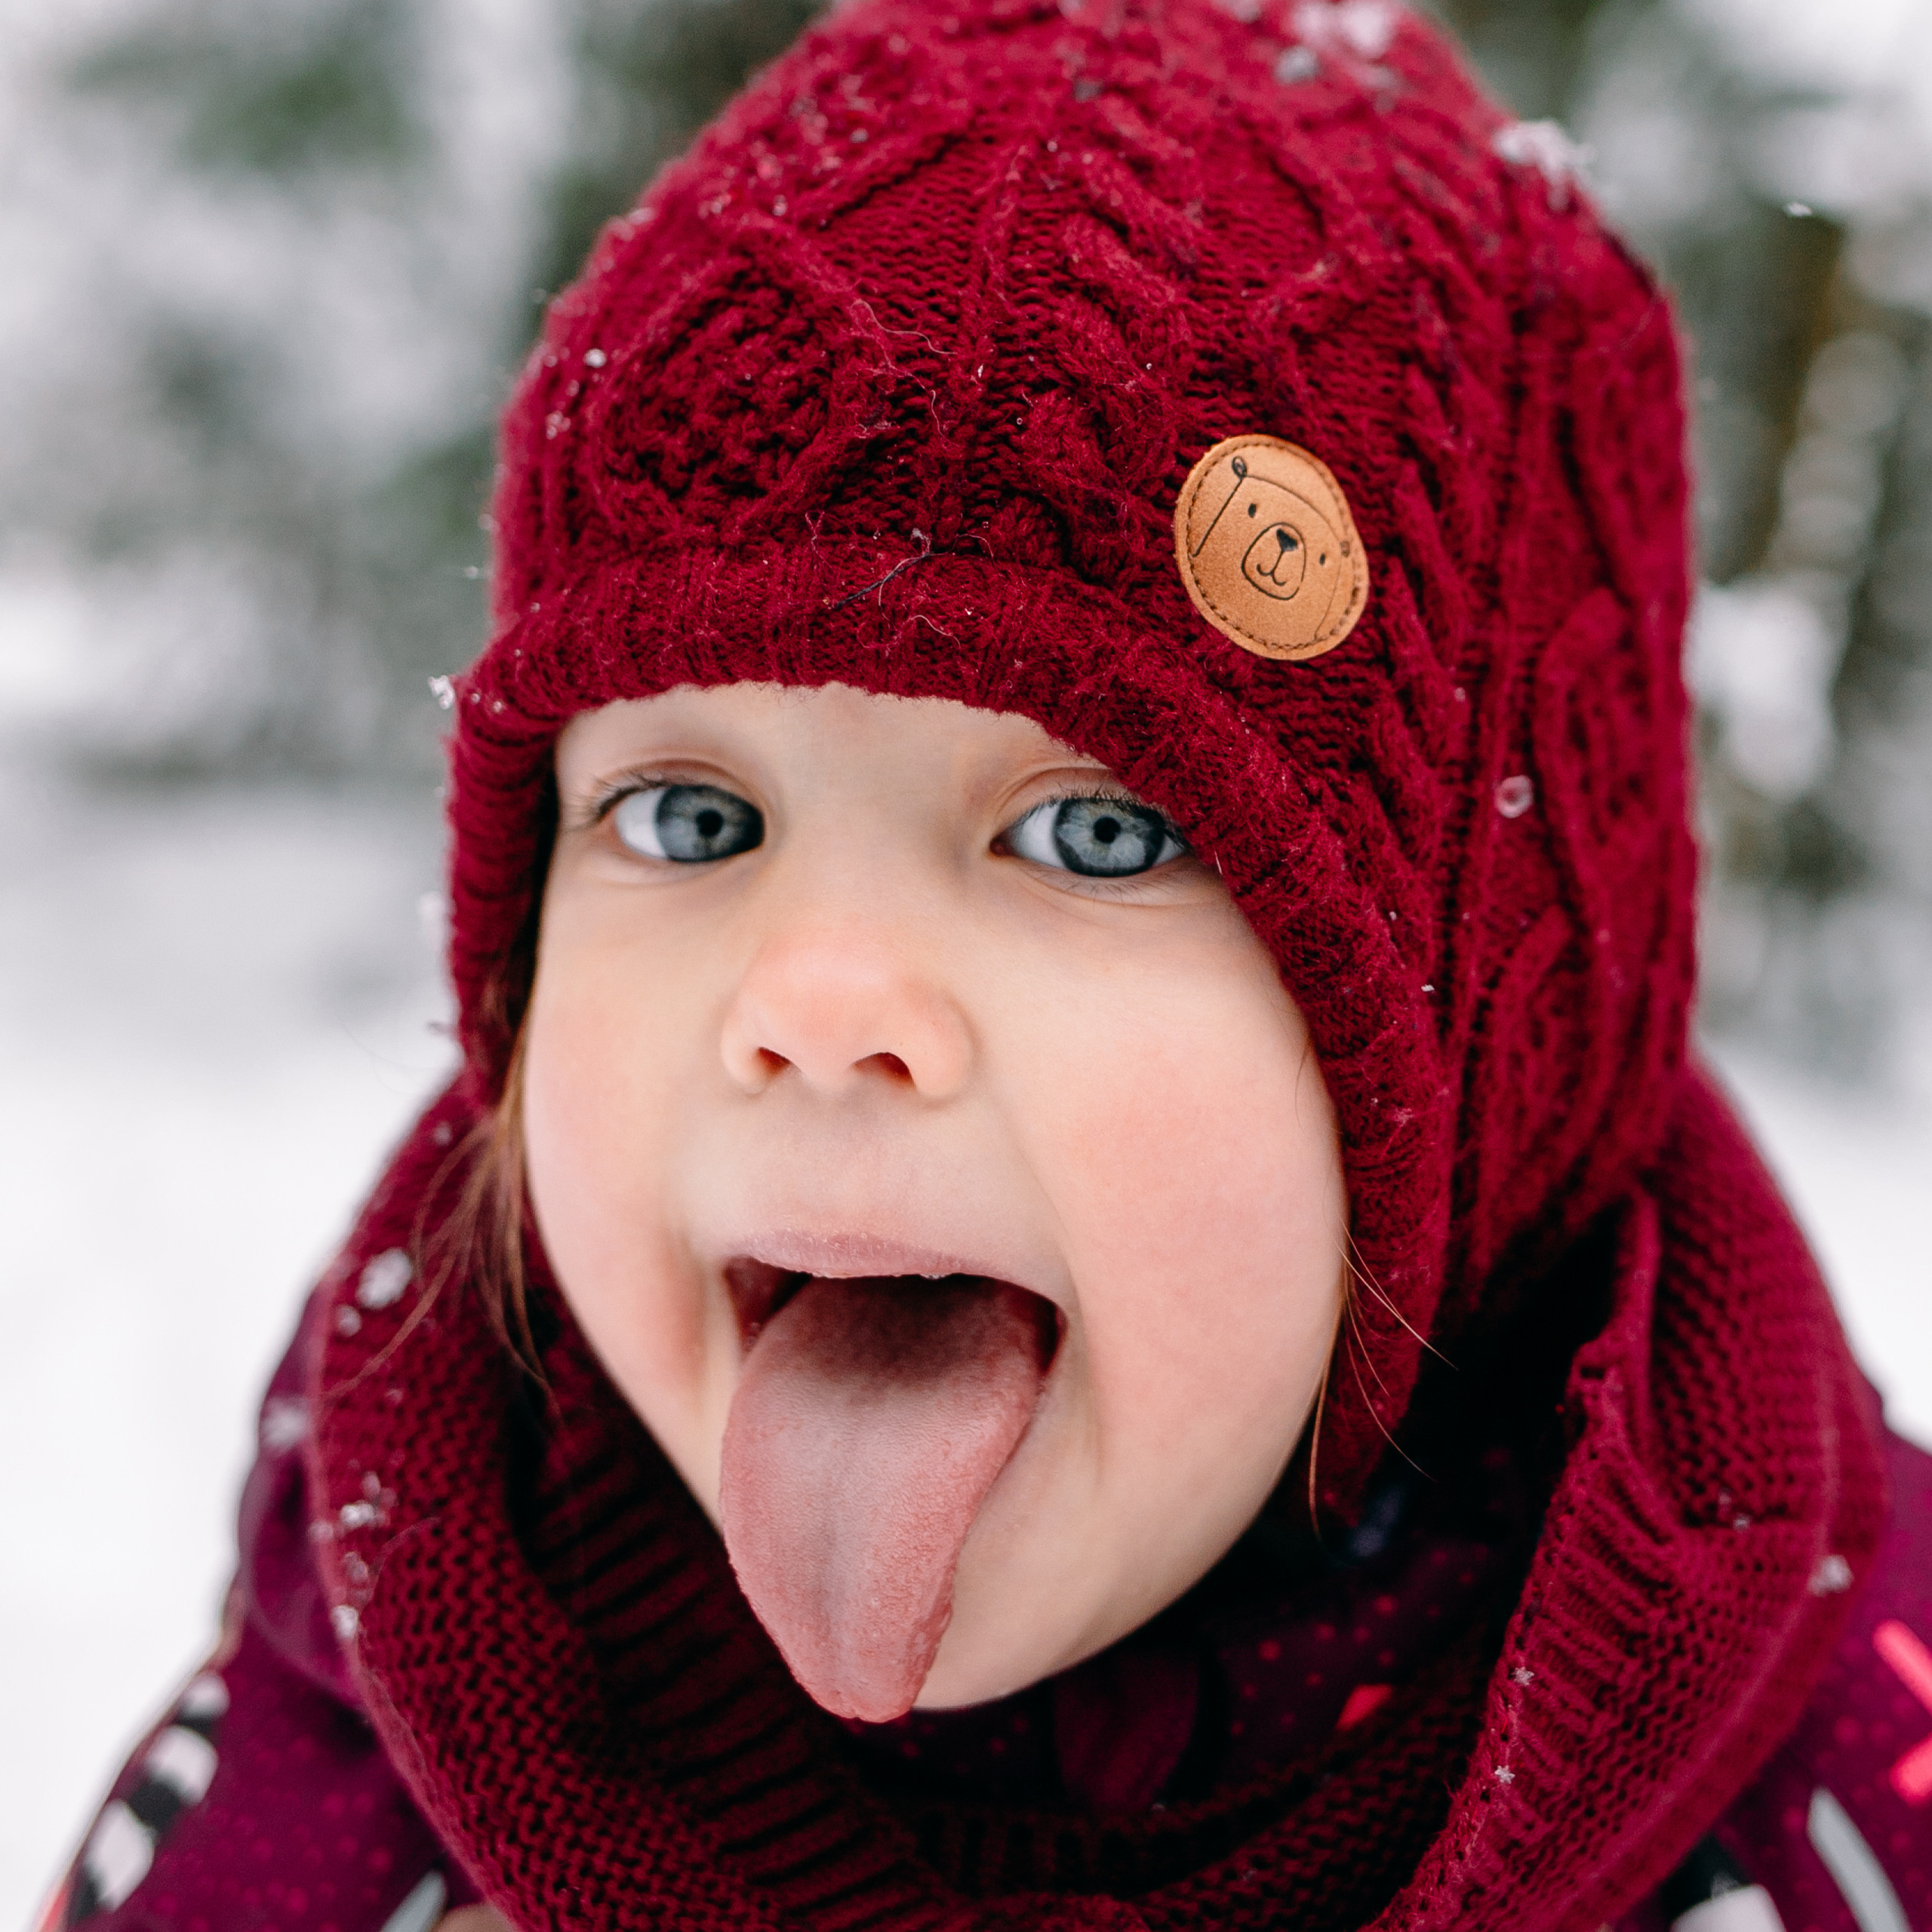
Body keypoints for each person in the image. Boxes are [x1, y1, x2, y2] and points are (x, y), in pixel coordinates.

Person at [38, 0, 1932, 1927]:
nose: (817, 1001)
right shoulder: (337, 1765)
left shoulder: (1854, 1802)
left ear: (1484, 1061)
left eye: (1096, 831)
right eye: (690, 817)